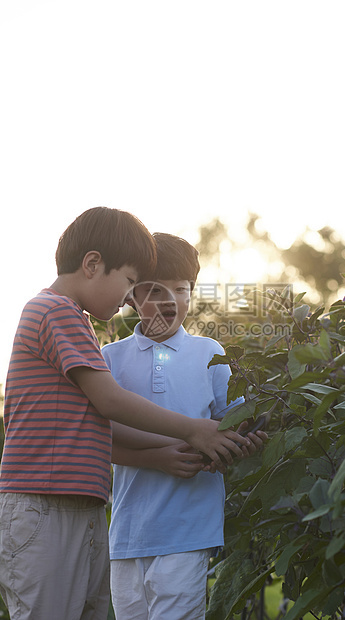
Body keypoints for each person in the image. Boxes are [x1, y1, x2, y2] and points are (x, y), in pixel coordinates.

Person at [0, 208, 250, 620]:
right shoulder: (56, 312)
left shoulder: (75, 321)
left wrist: (183, 444)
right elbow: (111, 403)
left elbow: (96, 428)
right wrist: (194, 431)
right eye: (132, 283)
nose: (126, 298)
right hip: (45, 502)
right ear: (93, 264)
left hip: (78, 502)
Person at [102, 232, 267, 620]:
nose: (171, 300)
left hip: (188, 527)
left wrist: (241, 442)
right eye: (157, 291)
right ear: (132, 295)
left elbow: (235, 423)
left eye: (182, 289)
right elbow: (97, 434)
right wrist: (158, 457)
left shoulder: (209, 353)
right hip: (127, 532)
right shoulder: (109, 358)